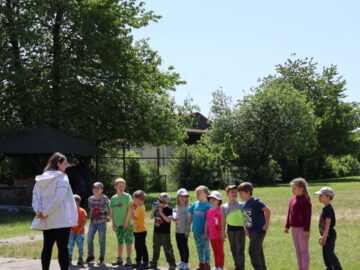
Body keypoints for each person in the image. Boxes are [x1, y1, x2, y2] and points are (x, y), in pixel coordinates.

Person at [31, 152, 78, 270]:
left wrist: (39, 211)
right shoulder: (62, 177)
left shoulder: (41, 178)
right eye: (65, 163)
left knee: (47, 247)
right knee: (62, 247)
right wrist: (44, 212)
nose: (66, 166)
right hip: (60, 219)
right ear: (59, 163)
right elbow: (58, 198)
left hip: (46, 219)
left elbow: (35, 197)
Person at [238, 182, 271, 270]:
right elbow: (246, 218)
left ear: (248, 192)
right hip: (251, 232)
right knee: (258, 251)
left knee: (252, 251)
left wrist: (266, 224)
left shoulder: (256, 202)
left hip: (259, 231)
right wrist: (246, 229)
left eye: (241, 193)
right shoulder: (244, 204)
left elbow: (268, 210)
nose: (239, 195)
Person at [284, 178, 312, 270]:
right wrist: (287, 226)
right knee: (298, 250)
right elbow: (289, 213)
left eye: (294, 188)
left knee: (304, 251)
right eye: (292, 188)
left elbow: (308, 217)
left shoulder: (306, 201)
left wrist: (306, 230)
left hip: (303, 229)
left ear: (302, 188)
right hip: (294, 229)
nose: (292, 190)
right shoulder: (291, 200)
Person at [315, 187, 343, 270]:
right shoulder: (325, 208)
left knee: (330, 253)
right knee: (325, 253)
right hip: (326, 234)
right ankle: (329, 267)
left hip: (330, 235)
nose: (319, 197)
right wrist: (323, 235)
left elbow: (328, 224)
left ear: (328, 197)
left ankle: (338, 268)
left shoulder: (328, 209)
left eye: (321, 195)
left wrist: (324, 236)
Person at [109, 178, 134, 266]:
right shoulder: (113, 198)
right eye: (120, 186)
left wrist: (126, 221)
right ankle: (119, 258)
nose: (122, 187)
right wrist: (113, 223)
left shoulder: (127, 196)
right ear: (115, 186)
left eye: (123, 186)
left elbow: (130, 209)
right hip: (118, 224)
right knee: (120, 241)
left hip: (128, 224)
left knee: (128, 241)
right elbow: (112, 212)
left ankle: (128, 259)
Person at [149, 193, 176, 270]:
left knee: (167, 249)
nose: (158, 202)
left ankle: (172, 264)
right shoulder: (156, 207)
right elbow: (151, 217)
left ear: (165, 203)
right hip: (156, 232)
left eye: (160, 201)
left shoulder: (169, 209)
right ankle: (154, 263)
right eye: (158, 200)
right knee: (155, 248)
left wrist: (161, 212)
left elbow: (168, 220)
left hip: (165, 234)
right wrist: (153, 210)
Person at [221, 185, 245, 270]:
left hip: (240, 230)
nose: (234, 194)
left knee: (240, 250)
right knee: (233, 250)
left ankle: (241, 267)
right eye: (232, 192)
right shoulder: (224, 206)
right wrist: (222, 232)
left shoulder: (241, 205)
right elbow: (223, 220)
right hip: (230, 231)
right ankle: (237, 266)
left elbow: (246, 217)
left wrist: (247, 229)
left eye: (236, 192)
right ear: (227, 194)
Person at [187, 185, 211, 270]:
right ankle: (201, 263)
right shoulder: (195, 204)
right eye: (196, 193)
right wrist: (188, 227)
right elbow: (190, 216)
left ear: (205, 194)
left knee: (206, 248)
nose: (197, 195)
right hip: (195, 230)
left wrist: (206, 232)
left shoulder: (208, 205)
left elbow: (209, 220)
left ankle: (207, 264)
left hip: (204, 231)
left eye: (199, 193)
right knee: (199, 247)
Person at [86, 182, 109, 265]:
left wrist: (108, 216)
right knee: (89, 239)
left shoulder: (104, 198)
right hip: (92, 222)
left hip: (102, 222)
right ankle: (91, 256)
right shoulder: (90, 199)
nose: (96, 190)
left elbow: (108, 207)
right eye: (94, 188)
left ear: (102, 190)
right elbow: (91, 209)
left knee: (102, 240)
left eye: (98, 188)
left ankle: (101, 257)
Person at [204, 191, 224, 270]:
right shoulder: (208, 211)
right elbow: (207, 222)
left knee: (220, 251)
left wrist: (222, 232)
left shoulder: (221, 211)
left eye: (214, 199)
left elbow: (223, 223)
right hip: (211, 235)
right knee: (215, 251)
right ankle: (216, 266)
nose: (212, 201)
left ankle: (221, 266)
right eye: (210, 199)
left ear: (219, 201)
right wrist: (206, 233)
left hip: (219, 235)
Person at [131, 190, 149, 269]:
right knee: (137, 246)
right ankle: (138, 261)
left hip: (141, 231)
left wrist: (130, 208)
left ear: (141, 200)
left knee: (142, 246)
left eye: (136, 200)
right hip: (136, 230)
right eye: (134, 199)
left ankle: (145, 262)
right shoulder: (137, 205)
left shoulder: (140, 207)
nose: (134, 201)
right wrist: (133, 205)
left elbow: (134, 217)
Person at [174, 188, 191, 270]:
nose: (183, 198)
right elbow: (176, 217)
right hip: (177, 231)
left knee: (184, 247)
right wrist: (174, 218)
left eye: (185, 197)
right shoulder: (176, 206)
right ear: (177, 197)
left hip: (184, 231)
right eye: (181, 196)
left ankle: (186, 263)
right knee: (179, 246)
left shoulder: (187, 208)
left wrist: (187, 230)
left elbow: (189, 220)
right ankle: (182, 261)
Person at [68, 194, 87, 265]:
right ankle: (69, 258)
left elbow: (84, 222)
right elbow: (67, 221)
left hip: (80, 232)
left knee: (80, 246)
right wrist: (71, 229)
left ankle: (80, 258)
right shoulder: (69, 211)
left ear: (78, 202)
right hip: (71, 232)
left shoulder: (82, 211)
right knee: (70, 245)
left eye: (74, 202)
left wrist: (79, 230)